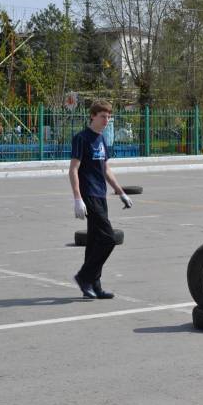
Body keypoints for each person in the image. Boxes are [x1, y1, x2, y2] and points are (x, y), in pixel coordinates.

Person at [69, 100, 133, 299]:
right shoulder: (82, 138)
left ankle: (94, 286)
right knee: (108, 238)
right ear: (93, 116)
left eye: (108, 117)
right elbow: (73, 170)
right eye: (103, 116)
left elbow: (106, 169)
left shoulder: (101, 139)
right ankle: (84, 276)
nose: (106, 120)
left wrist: (120, 192)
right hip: (88, 195)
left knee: (95, 241)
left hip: (100, 194)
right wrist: (77, 198)